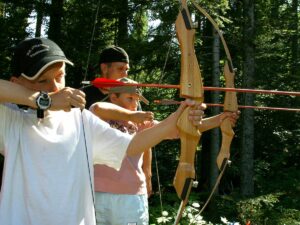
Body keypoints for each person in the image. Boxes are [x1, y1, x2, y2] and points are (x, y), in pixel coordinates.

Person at [0, 37, 206, 225]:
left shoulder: (80, 119)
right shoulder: (11, 120)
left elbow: (131, 145)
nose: (55, 86)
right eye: (42, 80)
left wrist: (176, 119)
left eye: (60, 76)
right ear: (17, 83)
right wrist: (45, 100)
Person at [90, 77, 157, 225]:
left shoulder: (140, 122)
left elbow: (170, 129)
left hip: (131, 194)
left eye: (137, 100)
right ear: (113, 97)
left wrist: (148, 174)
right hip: (98, 191)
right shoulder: (99, 118)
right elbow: (97, 107)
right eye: (130, 98)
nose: (135, 104)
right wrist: (131, 116)